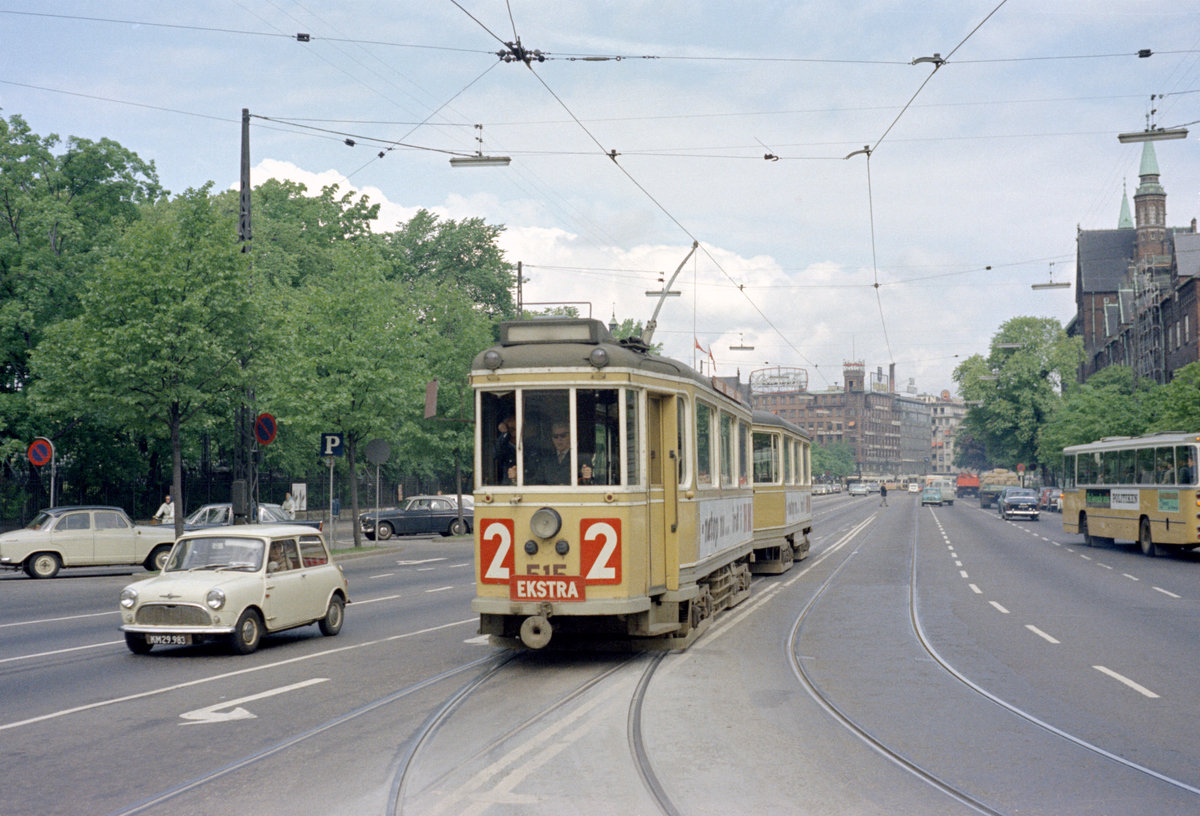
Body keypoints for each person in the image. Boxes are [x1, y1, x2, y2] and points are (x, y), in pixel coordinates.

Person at [530, 421, 593, 486]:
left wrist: (586, 478)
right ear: (552, 439)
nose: (559, 439)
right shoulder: (546, 459)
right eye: (555, 436)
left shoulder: (582, 458)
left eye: (563, 435)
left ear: (571, 436)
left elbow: (588, 484)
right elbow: (537, 482)